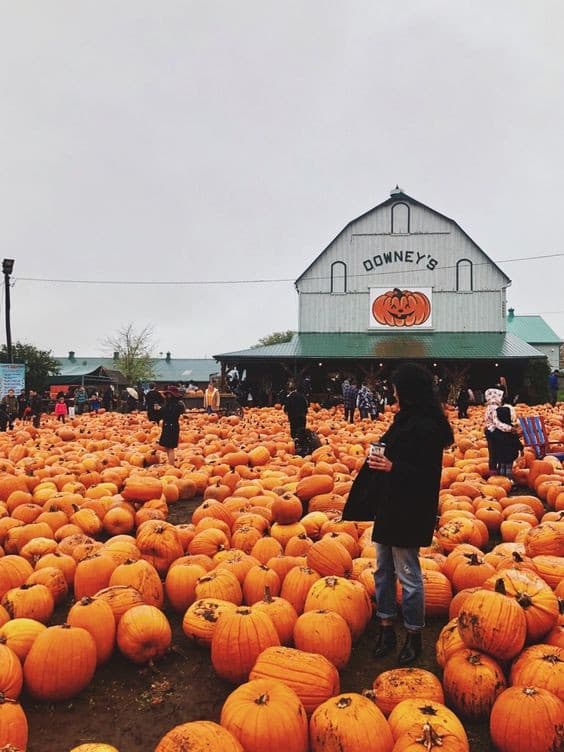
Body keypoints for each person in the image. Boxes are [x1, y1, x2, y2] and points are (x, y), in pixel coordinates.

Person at [342, 363, 454, 665]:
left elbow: (429, 475)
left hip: (411, 508)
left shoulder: (428, 427)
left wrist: (393, 466)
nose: (392, 393)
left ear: (408, 391)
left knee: (409, 576)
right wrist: (378, 454)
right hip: (390, 505)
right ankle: (386, 626)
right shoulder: (403, 420)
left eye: (396, 388)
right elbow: (395, 452)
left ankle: (414, 635)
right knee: (382, 570)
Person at [484, 387, 514, 475]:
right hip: (495, 433)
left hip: (490, 432)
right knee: (496, 453)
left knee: (493, 453)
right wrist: (509, 428)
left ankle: (494, 472)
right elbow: (497, 422)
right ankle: (495, 474)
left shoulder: (489, 407)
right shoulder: (494, 408)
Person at [491, 404, 523, 478]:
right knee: (508, 468)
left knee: (502, 466)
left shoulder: (496, 429)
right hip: (509, 453)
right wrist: (521, 448)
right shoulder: (511, 429)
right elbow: (516, 440)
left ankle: (502, 479)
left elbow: (493, 440)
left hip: (500, 453)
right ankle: (508, 480)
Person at [156, 386, 185, 465]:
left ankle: (171, 465)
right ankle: (170, 463)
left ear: (172, 395)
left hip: (171, 426)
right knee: (167, 447)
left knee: (170, 447)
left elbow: (168, 414)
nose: (167, 396)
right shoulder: (174, 404)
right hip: (169, 426)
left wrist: (160, 409)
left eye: (169, 394)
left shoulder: (174, 405)